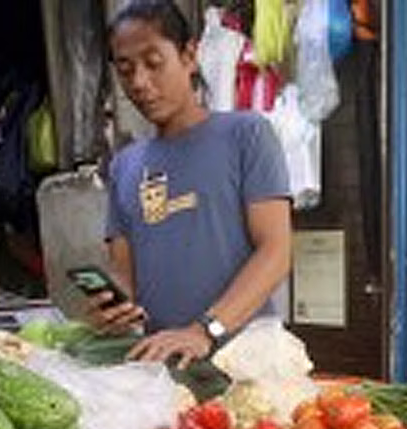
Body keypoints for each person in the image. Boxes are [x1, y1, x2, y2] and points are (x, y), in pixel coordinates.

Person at [91, 0, 292, 367]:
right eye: (125, 69)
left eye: (153, 63)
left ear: (189, 55)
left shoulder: (246, 135)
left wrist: (205, 330)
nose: (139, 82)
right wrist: (112, 308)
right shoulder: (125, 166)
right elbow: (124, 274)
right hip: (165, 366)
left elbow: (276, 252)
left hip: (247, 363)